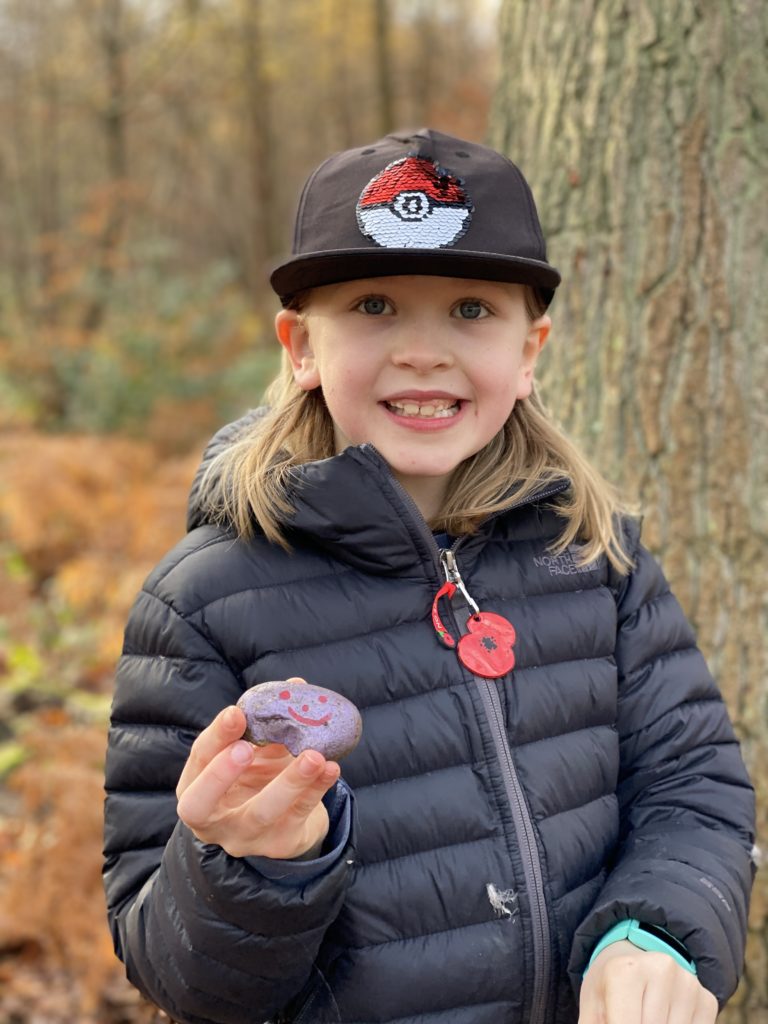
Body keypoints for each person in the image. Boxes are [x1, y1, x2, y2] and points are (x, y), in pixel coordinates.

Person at [102, 128, 755, 1024]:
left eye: (471, 311)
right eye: (374, 306)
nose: (422, 351)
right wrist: (259, 866)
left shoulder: (595, 554)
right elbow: (180, 976)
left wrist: (659, 928)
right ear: (300, 346)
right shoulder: (205, 602)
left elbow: (694, 786)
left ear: (530, 351)